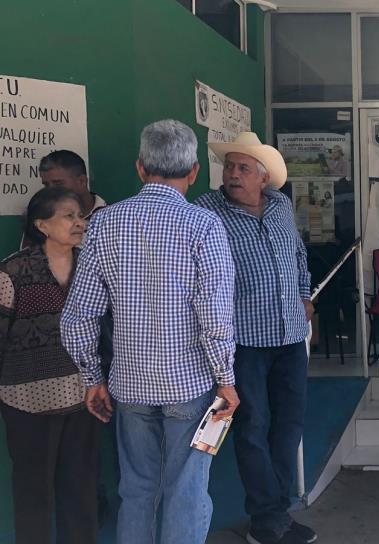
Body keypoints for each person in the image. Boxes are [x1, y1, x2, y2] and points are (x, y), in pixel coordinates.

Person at [61, 119, 239, 544]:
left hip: (130, 386)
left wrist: (92, 378)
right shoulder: (205, 226)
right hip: (189, 386)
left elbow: (79, 315)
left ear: (140, 168)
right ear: (194, 172)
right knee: (187, 490)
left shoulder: (104, 224)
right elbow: (214, 317)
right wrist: (226, 379)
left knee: (137, 490)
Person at [196, 132, 317, 544]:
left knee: (289, 425)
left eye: (242, 168)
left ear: (263, 178)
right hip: (244, 342)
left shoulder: (282, 206)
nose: (232, 174)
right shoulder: (207, 212)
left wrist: (305, 295)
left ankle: (279, 508)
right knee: (253, 426)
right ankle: (267, 518)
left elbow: (299, 255)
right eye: (229, 166)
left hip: (289, 338)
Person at [0, 187, 98, 544]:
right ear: (42, 225)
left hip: (82, 398)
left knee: (81, 489)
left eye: (80, 215)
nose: (78, 222)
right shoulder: (13, 271)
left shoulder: (91, 266)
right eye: (68, 216)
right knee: (33, 494)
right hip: (26, 403)